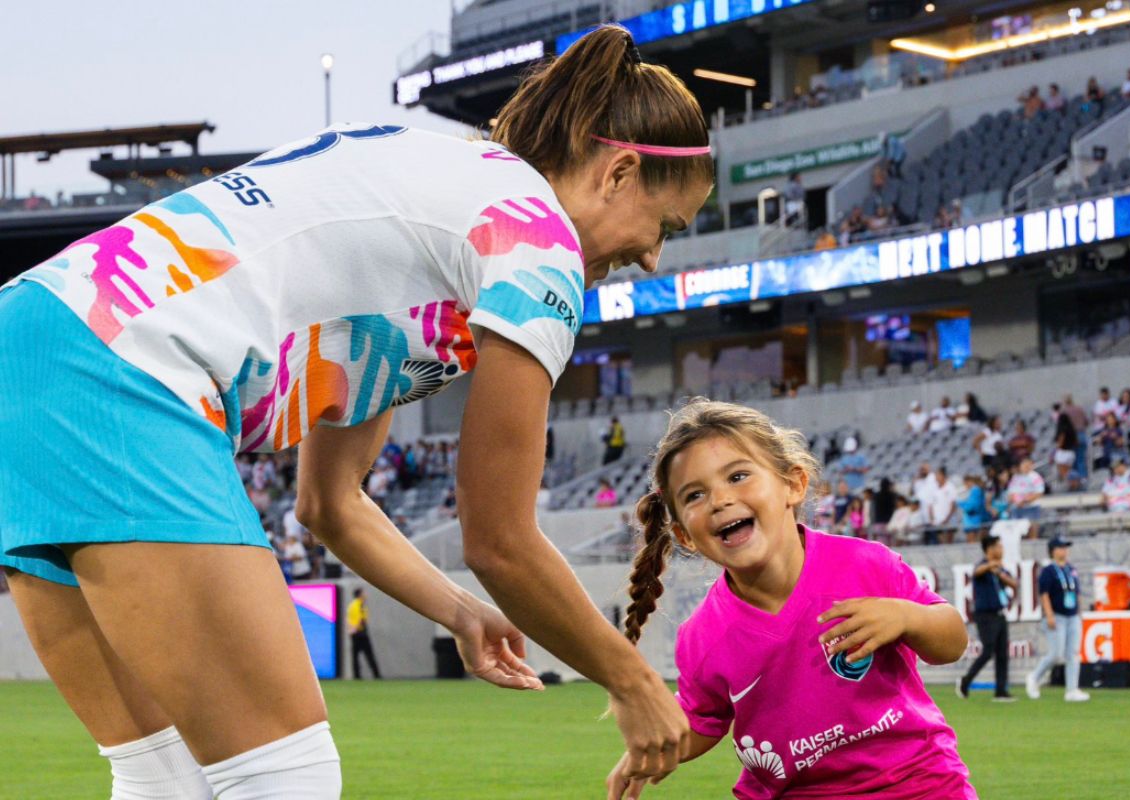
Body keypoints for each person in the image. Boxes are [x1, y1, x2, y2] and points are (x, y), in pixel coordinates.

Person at [0, 25, 713, 797]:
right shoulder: (538, 242)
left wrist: (461, 614)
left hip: (33, 340)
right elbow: (500, 538)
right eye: (665, 227)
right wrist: (634, 681)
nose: (652, 259)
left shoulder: (433, 186)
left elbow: (329, 504)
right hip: (126, 369)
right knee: (286, 778)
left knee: (165, 778)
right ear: (619, 171)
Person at [606, 401, 975, 800]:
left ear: (794, 484)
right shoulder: (702, 636)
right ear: (685, 536)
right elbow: (701, 721)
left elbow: (951, 642)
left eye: (738, 475)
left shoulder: (865, 565)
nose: (719, 499)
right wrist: (656, 747)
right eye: (695, 494)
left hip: (920, 786)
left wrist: (907, 617)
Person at [1026, 538, 1089, 702]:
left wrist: (1079, 613)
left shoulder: (1071, 569)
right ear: (1053, 550)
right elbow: (1044, 594)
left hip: (1072, 615)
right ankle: (1034, 677)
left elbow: (1077, 593)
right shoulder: (1048, 571)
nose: (1064, 551)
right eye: (1061, 548)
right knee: (1055, 654)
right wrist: (1049, 615)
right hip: (1057, 615)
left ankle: (1072, 689)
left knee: (1073, 653)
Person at [957, 535, 1016, 701]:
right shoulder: (982, 566)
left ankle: (1001, 690)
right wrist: (991, 565)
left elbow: (1014, 583)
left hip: (1000, 614)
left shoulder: (1000, 569)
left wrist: (1000, 574)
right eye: (999, 546)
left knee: (1002, 653)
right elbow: (976, 572)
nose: (1002, 550)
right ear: (990, 549)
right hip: (985, 615)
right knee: (988, 650)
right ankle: (966, 680)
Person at [347, 588, 382, 680]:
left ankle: (357, 676)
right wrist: (355, 629)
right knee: (369, 655)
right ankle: (376, 675)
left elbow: (349, 619)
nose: (366, 595)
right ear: (360, 595)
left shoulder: (351, 605)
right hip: (360, 633)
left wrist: (351, 630)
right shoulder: (360, 605)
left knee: (355, 656)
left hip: (354, 634)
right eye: (364, 593)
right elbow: (361, 619)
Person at [1006, 458, 1044, 530]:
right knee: (1016, 529)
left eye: (1028, 465)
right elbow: (1010, 492)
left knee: (1032, 528)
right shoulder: (1015, 477)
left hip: (1031, 507)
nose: (1027, 467)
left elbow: (1039, 492)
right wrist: (1015, 501)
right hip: (1017, 507)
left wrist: (1025, 501)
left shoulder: (1035, 476)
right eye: (1024, 465)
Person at [957, 475, 992, 543]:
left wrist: (960, 504)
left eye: (965, 483)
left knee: (973, 542)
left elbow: (971, 507)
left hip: (973, 521)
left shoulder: (975, 490)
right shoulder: (974, 491)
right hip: (974, 520)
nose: (965, 485)